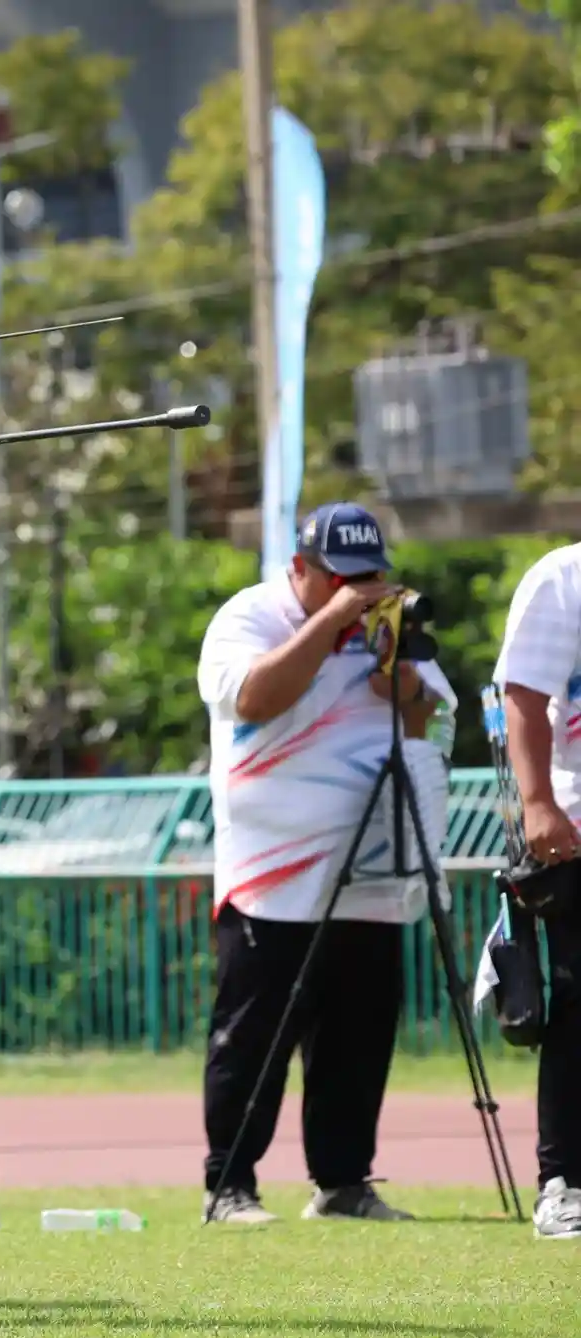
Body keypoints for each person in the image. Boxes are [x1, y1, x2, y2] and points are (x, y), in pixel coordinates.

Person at [196, 502, 455, 1225]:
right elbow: (251, 697)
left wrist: (396, 679)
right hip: (272, 873)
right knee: (256, 1036)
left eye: (371, 578)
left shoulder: (386, 624)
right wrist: (330, 623)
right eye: (343, 579)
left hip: (370, 864)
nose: (362, 591)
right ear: (300, 569)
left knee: (360, 1031)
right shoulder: (249, 618)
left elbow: (419, 722)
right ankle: (231, 1184)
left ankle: (343, 1182)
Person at [490, 539, 581, 1238]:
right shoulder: (563, 576)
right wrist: (536, 801)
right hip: (578, 824)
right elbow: (522, 693)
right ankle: (565, 1180)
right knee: (580, 1001)